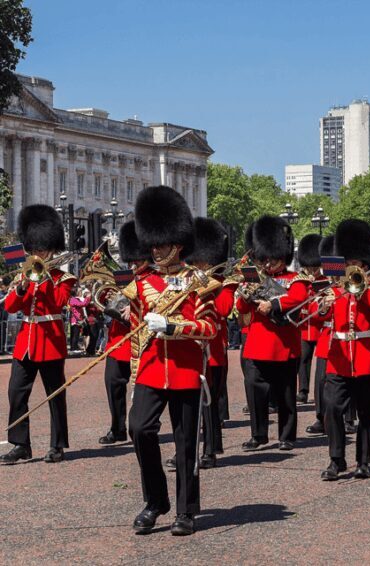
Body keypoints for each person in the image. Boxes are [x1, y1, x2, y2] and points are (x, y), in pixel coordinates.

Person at [127, 186, 216, 535]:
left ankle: (185, 510)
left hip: (184, 371)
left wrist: (174, 326)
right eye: (153, 244)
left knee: (185, 443)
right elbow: (135, 329)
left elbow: (209, 328)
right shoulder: (142, 283)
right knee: (140, 429)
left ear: (177, 244)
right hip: (151, 369)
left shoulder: (200, 284)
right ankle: (155, 501)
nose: (155, 249)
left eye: (161, 244)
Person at [1, 205, 77, 464]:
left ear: (52, 247)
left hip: (50, 340)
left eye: (41, 248)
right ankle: (21, 444)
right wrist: (22, 287)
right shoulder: (25, 272)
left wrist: (43, 279)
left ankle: (57, 444)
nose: (38, 253)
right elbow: (11, 306)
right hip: (26, 342)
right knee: (16, 392)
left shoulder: (64, 278)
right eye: (34, 249)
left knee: (55, 394)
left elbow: (58, 303)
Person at [319, 220, 370, 480]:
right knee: (332, 408)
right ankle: (336, 459)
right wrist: (324, 305)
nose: (352, 267)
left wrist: (362, 291)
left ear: (364, 264)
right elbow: (318, 318)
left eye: (356, 263)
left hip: (366, 357)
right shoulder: (334, 289)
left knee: (367, 412)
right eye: (348, 262)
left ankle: (364, 461)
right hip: (339, 357)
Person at [236, 215, 310, 452]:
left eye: (273, 258)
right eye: (265, 258)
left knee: (286, 393)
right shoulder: (256, 279)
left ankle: (287, 436)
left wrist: (274, 305)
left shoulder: (294, 279)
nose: (268, 263)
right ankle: (258, 435)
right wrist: (245, 297)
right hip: (258, 344)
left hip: (283, 344)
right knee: (255, 391)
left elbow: (299, 298)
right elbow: (241, 309)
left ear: (283, 256)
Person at [186, 217, 237, 469]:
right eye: (195, 261)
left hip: (213, 351)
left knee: (209, 404)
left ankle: (209, 451)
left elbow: (224, 309)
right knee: (188, 404)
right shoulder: (186, 282)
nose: (198, 265)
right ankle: (190, 450)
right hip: (188, 350)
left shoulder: (225, 284)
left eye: (202, 261)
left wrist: (206, 289)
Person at [98, 221, 152, 445]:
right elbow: (106, 301)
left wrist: (136, 307)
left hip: (141, 340)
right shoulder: (123, 274)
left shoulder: (153, 278)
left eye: (138, 259)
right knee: (113, 384)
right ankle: (117, 427)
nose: (134, 263)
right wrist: (104, 299)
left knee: (142, 389)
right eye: (132, 259)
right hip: (118, 340)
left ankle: (141, 426)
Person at [306, 235, 336, 435]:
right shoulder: (323, 284)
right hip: (327, 336)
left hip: (347, 336)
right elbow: (313, 313)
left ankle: (349, 417)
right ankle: (321, 416)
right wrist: (322, 305)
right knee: (321, 380)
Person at [296, 234, 324, 405]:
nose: (312, 270)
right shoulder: (302, 280)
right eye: (309, 267)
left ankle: (320, 393)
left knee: (321, 365)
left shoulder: (326, 280)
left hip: (319, 327)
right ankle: (302, 390)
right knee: (303, 359)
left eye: (314, 267)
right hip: (305, 327)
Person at [68, 287, 90, 354]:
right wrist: (87, 297)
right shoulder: (73, 299)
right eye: (80, 291)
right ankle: (73, 348)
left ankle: (73, 348)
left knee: (76, 334)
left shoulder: (75, 299)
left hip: (77, 319)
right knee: (75, 335)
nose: (81, 292)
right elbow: (83, 304)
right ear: (76, 292)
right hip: (75, 320)